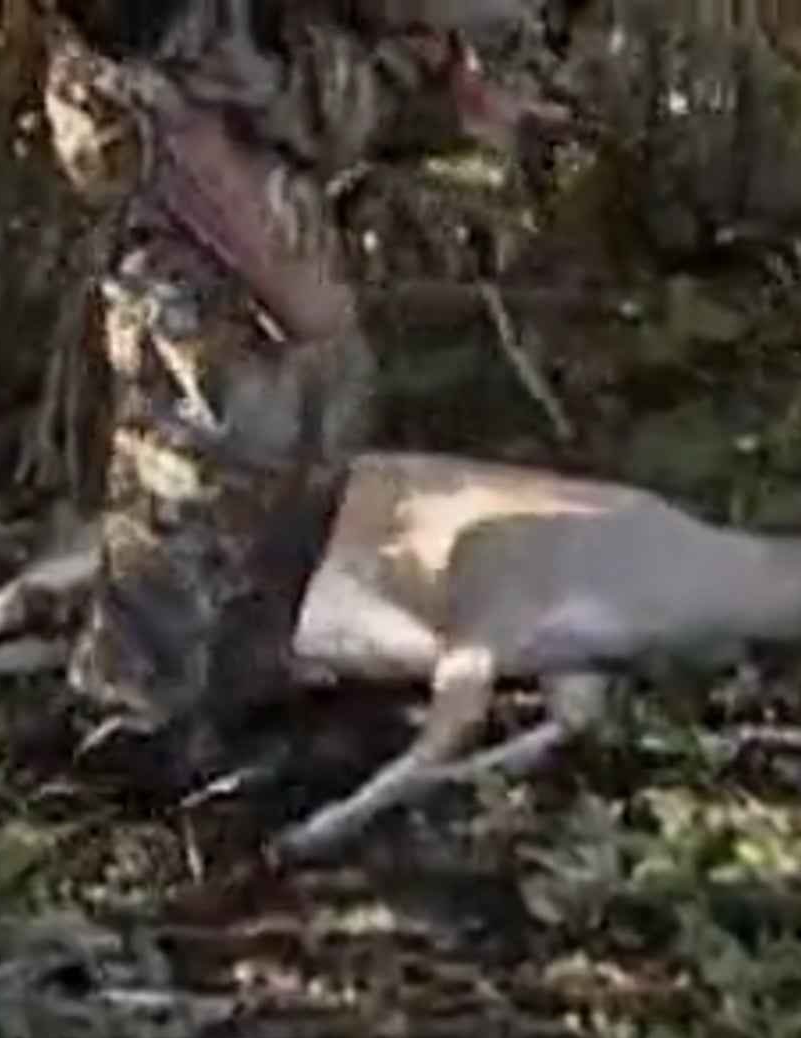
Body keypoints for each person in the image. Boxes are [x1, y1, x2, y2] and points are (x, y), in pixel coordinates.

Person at [35, 0, 568, 787]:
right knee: (201, 434)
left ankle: (247, 691)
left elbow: (360, 79)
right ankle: (130, 710)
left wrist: (460, 83)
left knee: (325, 399)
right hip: (169, 131)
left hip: (255, 145)